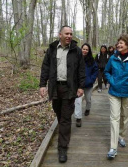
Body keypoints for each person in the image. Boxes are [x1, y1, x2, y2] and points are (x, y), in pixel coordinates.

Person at [39, 25, 85, 163]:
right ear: (60, 35)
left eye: (71, 34)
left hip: (69, 88)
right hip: (55, 88)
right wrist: (42, 85)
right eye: (66, 33)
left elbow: (81, 70)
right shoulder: (52, 49)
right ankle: (64, 133)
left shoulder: (76, 50)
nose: (69, 36)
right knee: (58, 113)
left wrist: (81, 86)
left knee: (65, 118)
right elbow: (45, 67)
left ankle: (62, 148)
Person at [74, 43, 98, 127]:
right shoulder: (76, 59)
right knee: (78, 101)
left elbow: (95, 71)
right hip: (78, 84)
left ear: (89, 51)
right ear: (81, 49)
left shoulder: (91, 60)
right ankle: (78, 118)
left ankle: (88, 109)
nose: (85, 50)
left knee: (88, 99)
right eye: (83, 49)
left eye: (86, 49)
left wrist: (91, 79)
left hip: (88, 83)